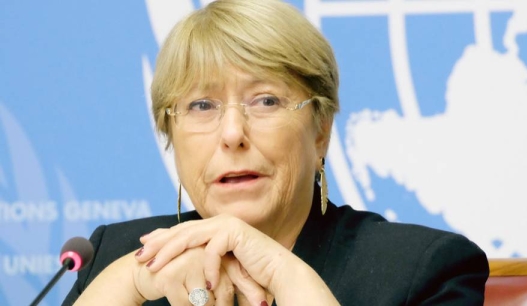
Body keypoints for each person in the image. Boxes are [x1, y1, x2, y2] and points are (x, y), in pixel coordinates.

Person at [63, 0, 489, 305]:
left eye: (266, 101)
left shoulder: (420, 273)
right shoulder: (113, 257)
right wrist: (134, 280)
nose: (232, 134)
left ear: (321, 130)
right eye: (202, 105)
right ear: (170, 135)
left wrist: (282, 273)